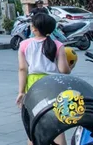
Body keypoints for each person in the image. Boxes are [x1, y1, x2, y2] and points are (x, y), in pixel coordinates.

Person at [17, 13, 71, 145]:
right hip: (54, 85)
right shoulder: (58, 45)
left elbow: (22, 69)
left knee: (34, 124)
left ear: (34, 29)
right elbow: (64, 70)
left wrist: (21, 91)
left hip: (34, 86)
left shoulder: (24, 44)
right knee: (58, 124)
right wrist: (71, 66)